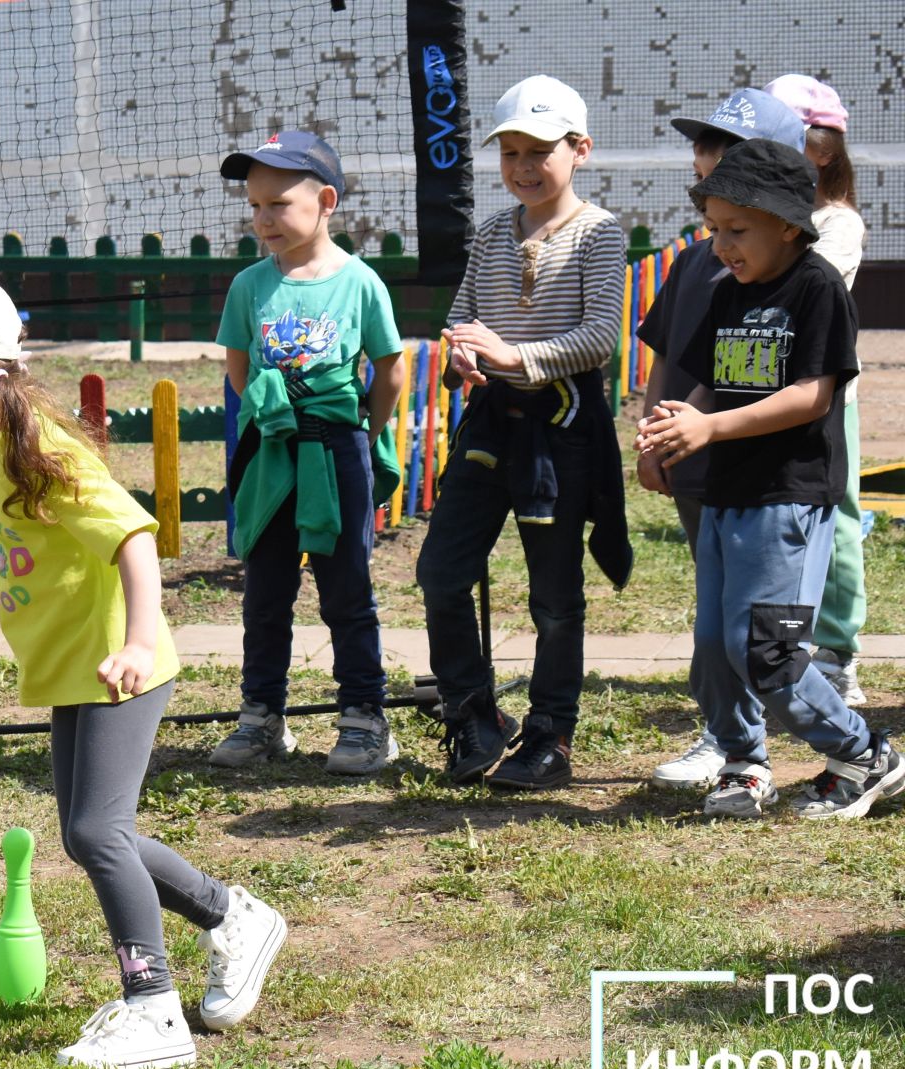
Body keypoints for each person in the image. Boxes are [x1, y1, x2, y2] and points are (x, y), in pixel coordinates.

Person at [0, 266, 287, 1069]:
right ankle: (234, 918)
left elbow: (134, 537)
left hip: (121, 664)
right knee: (92, 836)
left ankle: (153, 1010)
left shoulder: (37, 448)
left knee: (93, 830)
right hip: (71, 664)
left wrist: (141, 643)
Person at [638, 139, 901, 819]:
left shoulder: (816, 287)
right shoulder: (732, 290)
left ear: (788, 223)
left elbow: (814, 396)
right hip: (728, 493)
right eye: (714, 229)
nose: (721, 245)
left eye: (737, 229)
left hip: (787, 496)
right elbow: (707, 384)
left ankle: (867, 753)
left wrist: (711, 429)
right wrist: (673, 429)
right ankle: (743, 762)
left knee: (766, 649)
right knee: (712, 649)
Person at [416, 75, 631, 790]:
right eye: (509, 152)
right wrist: (465, 355)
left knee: (553, 596)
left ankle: (551, 733)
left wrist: (517, 357)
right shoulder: (490, 233)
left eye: (539, 150)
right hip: (489, 428)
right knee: (440, 572)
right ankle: (474, 714)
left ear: (581, 150)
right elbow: (462, 318)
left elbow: (601, 335)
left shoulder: (601, 234)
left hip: (562, 434)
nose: (522, 167)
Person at [204, 131, 407, 777]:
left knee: (346, 588)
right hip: (272, 452)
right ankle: (262, 716)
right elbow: (239, 371)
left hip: (338, 452)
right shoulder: (249, 287)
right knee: (265, 590)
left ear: (325, 201)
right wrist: (281, 414)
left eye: (279, 204)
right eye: (255, 205)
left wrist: (356, 432)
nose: (264, 219)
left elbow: (390, 369)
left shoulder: (361, 283)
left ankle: (365, 719)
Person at [640, 89, 810, 790]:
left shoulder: (792, 269)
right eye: (703, 145)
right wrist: (653, 434)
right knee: (712, 609)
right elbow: (666, 353)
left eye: (725, 147)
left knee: (748, 612)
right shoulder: (692, 259)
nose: (705, 159)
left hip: (757, 468)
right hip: (692, 457)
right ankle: (727, 735)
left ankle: (764, 737)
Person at [768, 73, 868, 707]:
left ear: (821, 149)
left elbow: (803, 291)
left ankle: (837, 649)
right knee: (781, 525)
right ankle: (782, 648)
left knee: (838, 525)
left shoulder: (836, 223)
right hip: (759, 398)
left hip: (827, 401)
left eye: (778, 136)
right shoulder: (763, 217)